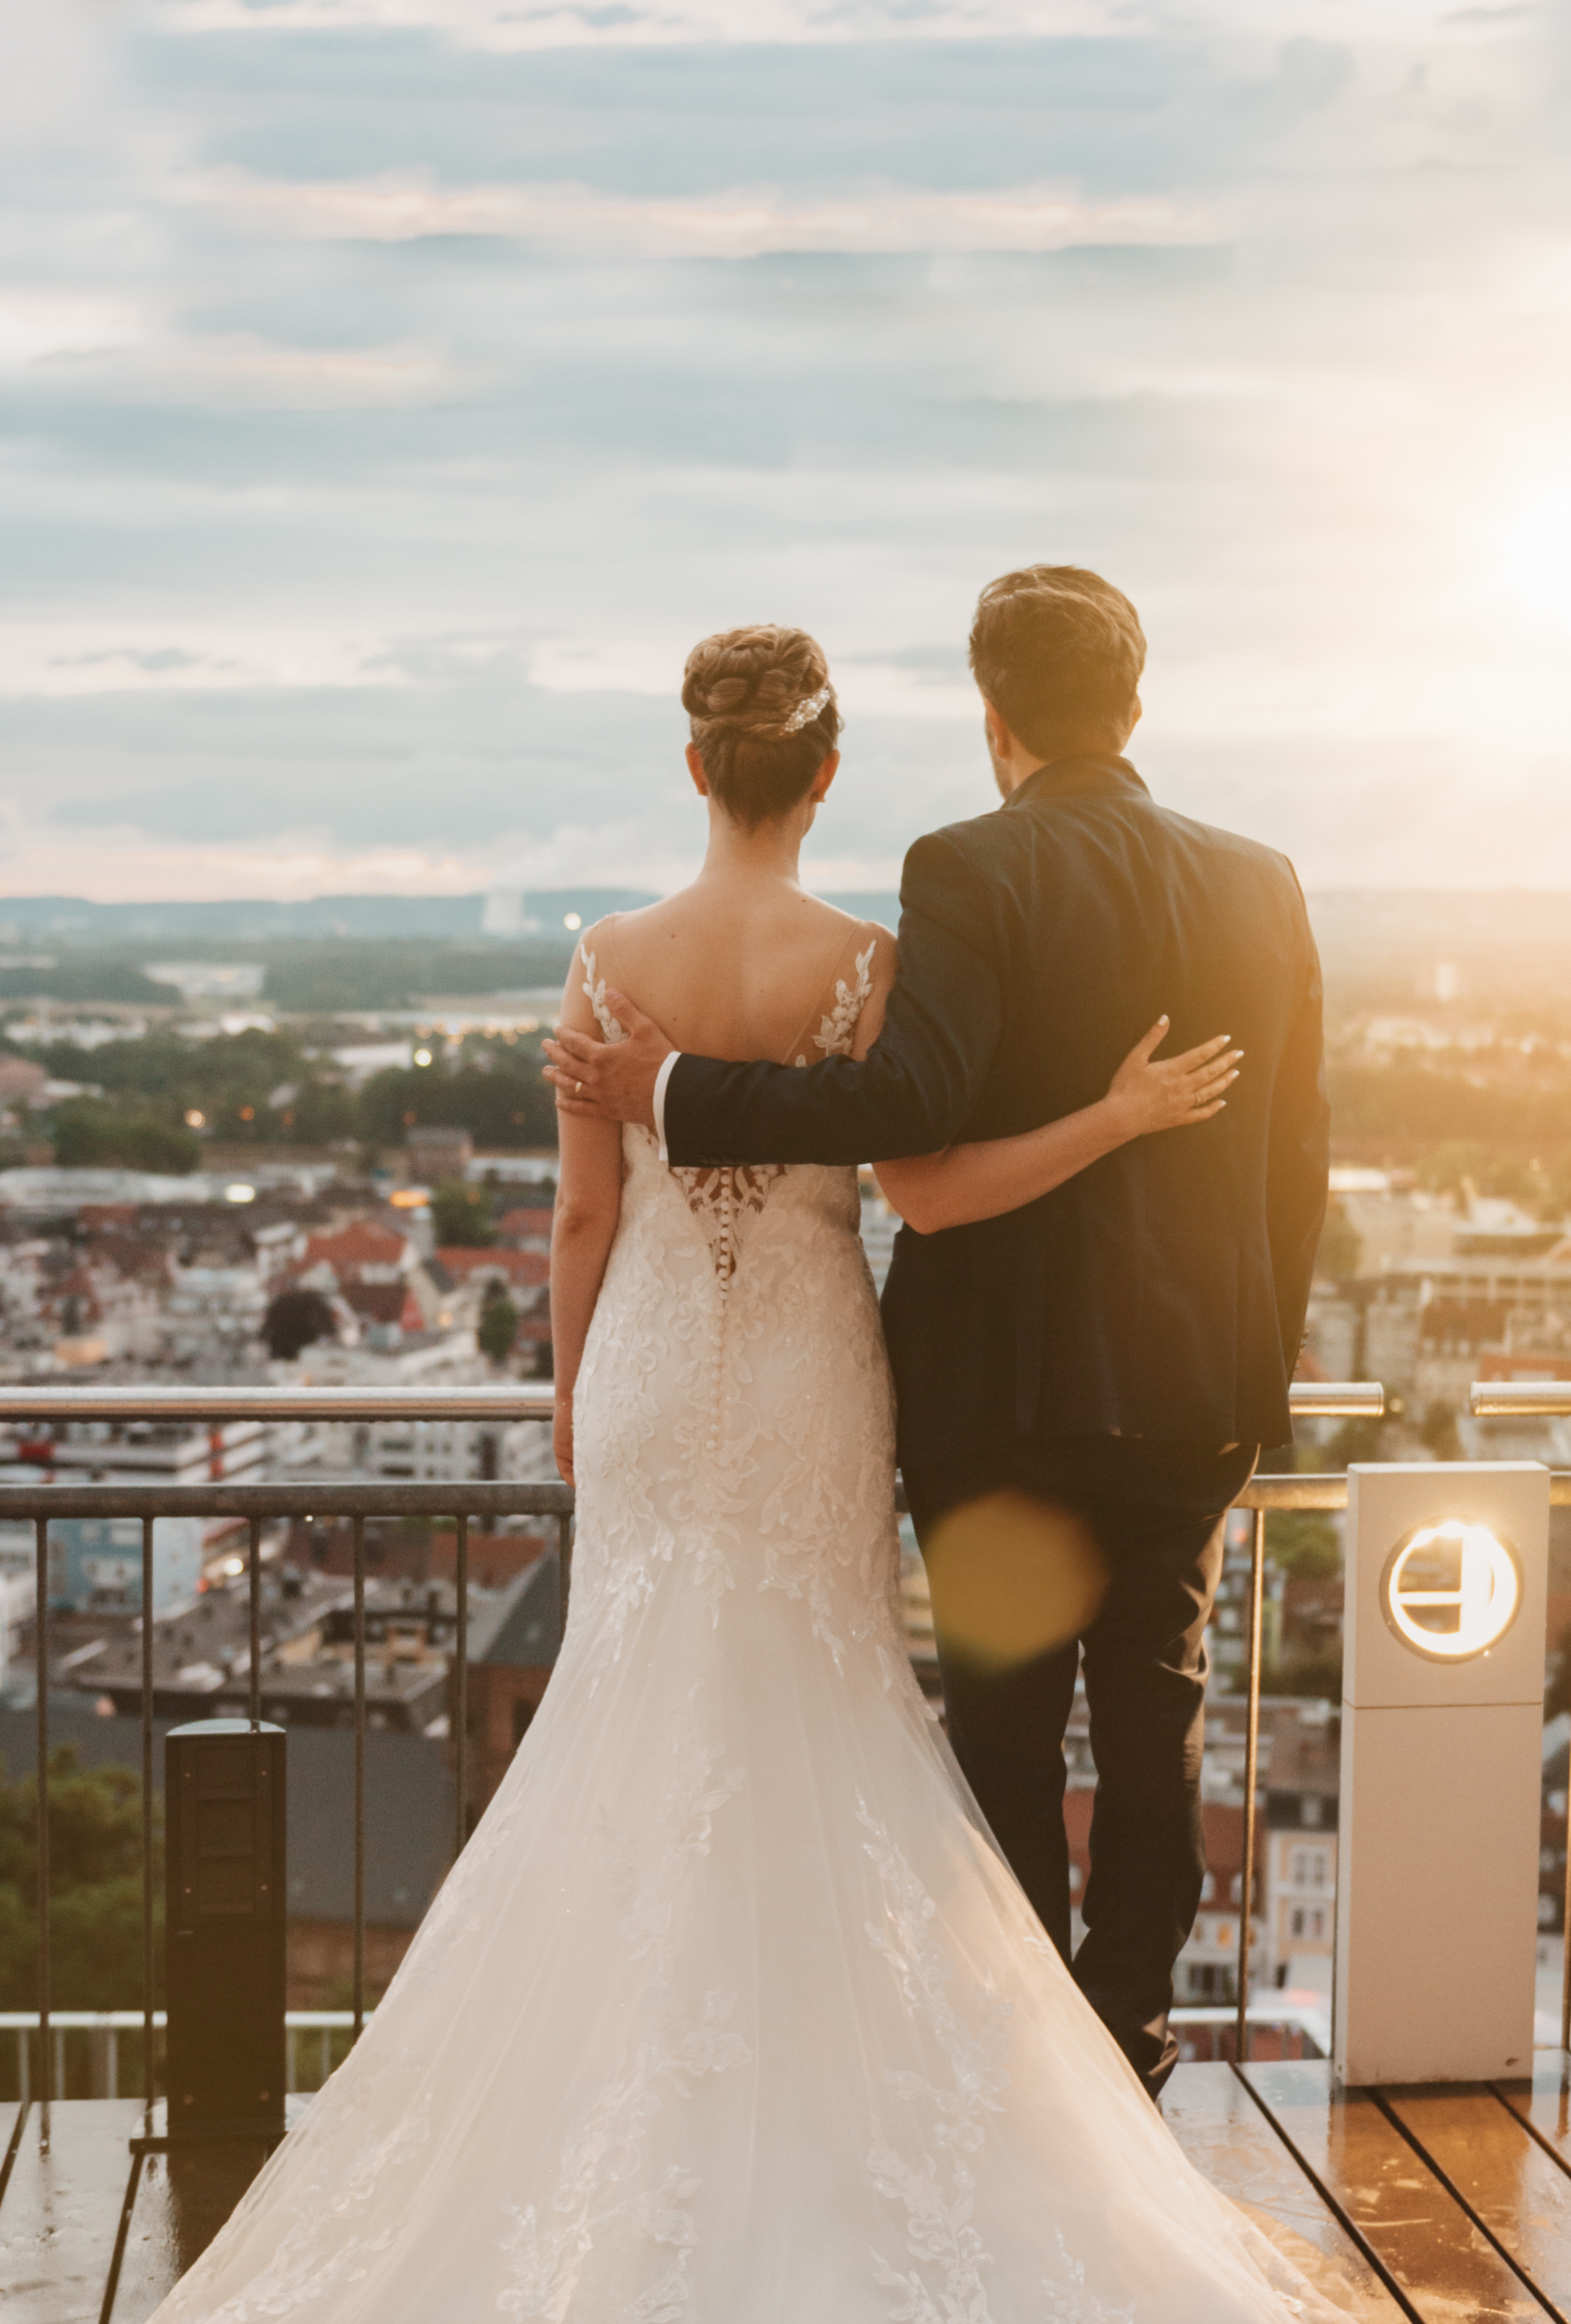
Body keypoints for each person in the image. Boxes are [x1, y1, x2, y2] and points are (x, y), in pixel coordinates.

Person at [0, 619, 1468, 2324]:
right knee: (845, 1732)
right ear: (824, 776)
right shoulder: (867, 956)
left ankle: (592, 2195)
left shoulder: (603, 963)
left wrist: (575, 1401)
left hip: (646, 1373)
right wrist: (1111, 1117)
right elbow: (927, 1183)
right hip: (813, 1373)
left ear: (696, 766)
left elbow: (577, 1221)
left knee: (627, 1744)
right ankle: (1000, 2125)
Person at [549, 567, 1327, 2101]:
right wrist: (1256, 1362)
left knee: (1005, 1740)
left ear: (991, 716)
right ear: (1134, 704)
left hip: (1000, 1386)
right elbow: (1296, 1157)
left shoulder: (970, 867)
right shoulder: (1262, 881)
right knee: (1157, 1722)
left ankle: (1020, 2058)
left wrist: (674, 1092)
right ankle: (1125, 2040)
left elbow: (910, 1110)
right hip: (1191, 1390)